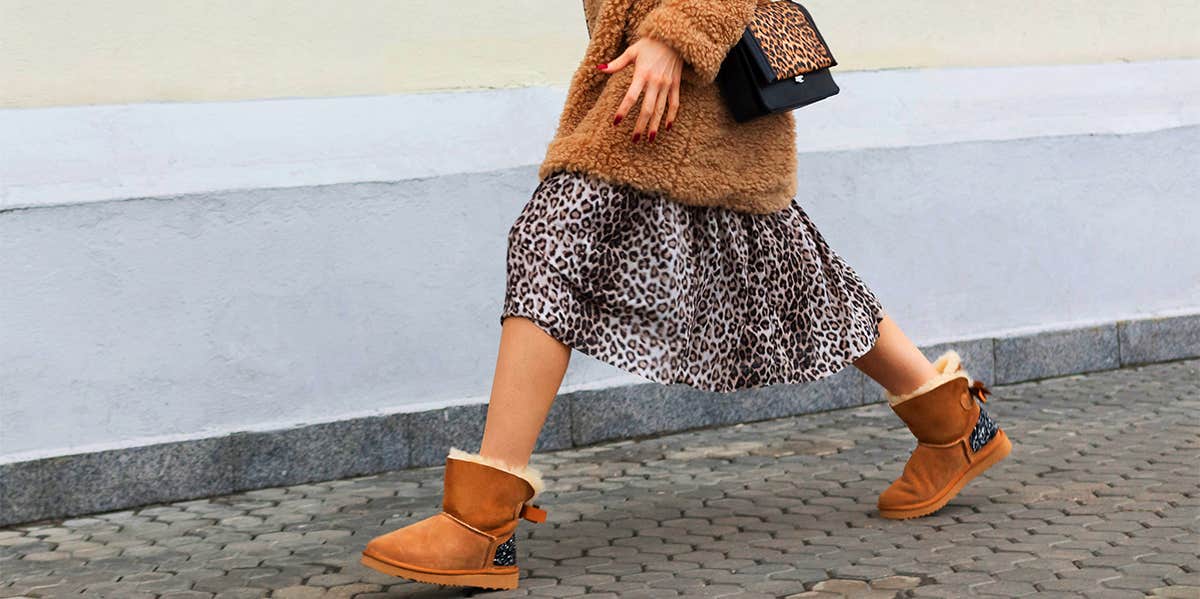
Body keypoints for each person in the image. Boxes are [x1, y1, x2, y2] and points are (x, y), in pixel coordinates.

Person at [360, 0, 1012, 590]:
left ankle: (478, 525)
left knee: (555, 238)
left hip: (689, 73)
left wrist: (678, 37)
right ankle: (955, 426)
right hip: (678, 83)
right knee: (790, 275)